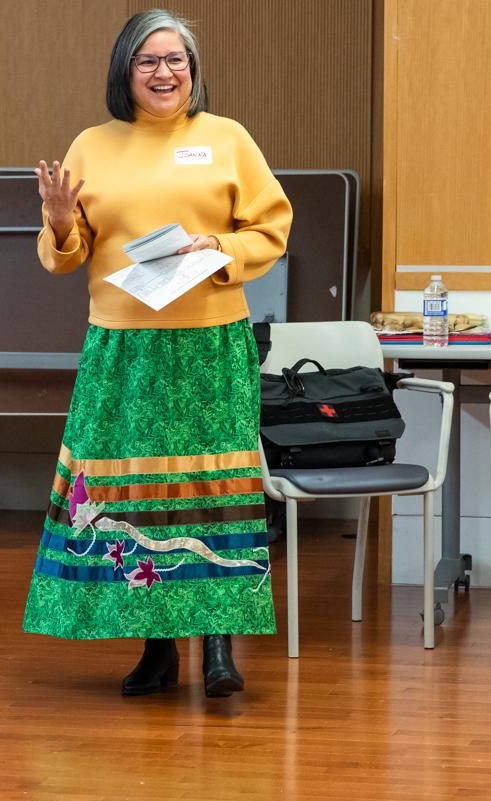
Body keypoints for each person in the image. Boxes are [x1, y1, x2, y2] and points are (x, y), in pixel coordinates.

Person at [23, 9, 291, 698]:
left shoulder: (226, 139)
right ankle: (156, 647)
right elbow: (65, 257)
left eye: (176, 60)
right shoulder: (92, 144)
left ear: (192, 71)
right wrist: (58, 221)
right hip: (124, 345)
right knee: (133, 489)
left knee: (212, 485)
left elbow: (272, 225)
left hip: (210, 341)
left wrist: (222, 248)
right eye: (149, 61)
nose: (165, 72)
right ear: (125, 72)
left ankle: (221, 648)